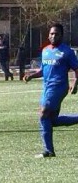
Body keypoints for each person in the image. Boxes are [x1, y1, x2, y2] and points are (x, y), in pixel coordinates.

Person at [22, 23, 78, 158]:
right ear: (48, 35)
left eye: (56, 34)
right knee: (50, 120)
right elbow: (43, 70)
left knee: (43, 113)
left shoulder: (67, 51)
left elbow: (76, 69)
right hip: (47, 88)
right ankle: (49, 151)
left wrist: (75, 83)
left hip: (59, 87)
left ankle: (48, 151)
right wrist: (31, 75)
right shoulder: (45, 50)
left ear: (61, 35)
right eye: (51, 33)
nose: (53, 36)